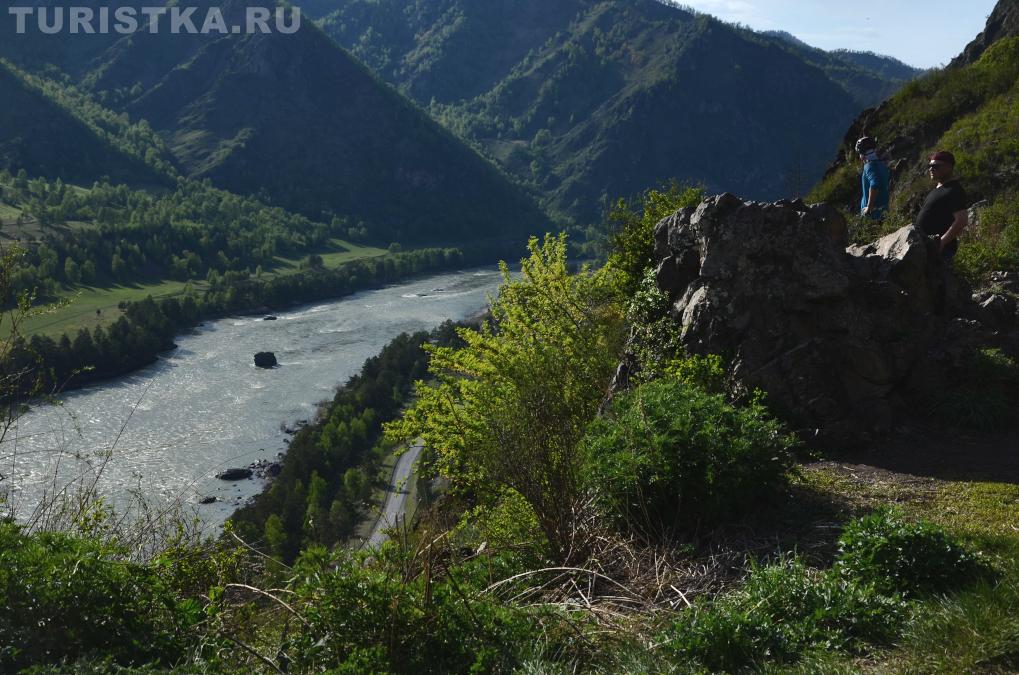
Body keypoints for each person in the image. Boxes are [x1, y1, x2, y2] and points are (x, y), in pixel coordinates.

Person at [914, 151, 968, 260]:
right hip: (925, 248)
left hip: (940, 251)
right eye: (929, 166)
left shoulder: (954, 190)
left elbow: (962, 220)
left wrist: (941, 242)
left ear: (948, 167)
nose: (930, 169)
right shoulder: (937, 190)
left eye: (935, 166)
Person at [856, 136, 889, 219]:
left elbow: (874, 184)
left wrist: (869, 208)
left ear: (862, 154)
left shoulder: (869, 166)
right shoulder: (882, 165)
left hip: (873, 215)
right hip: (883, 212)